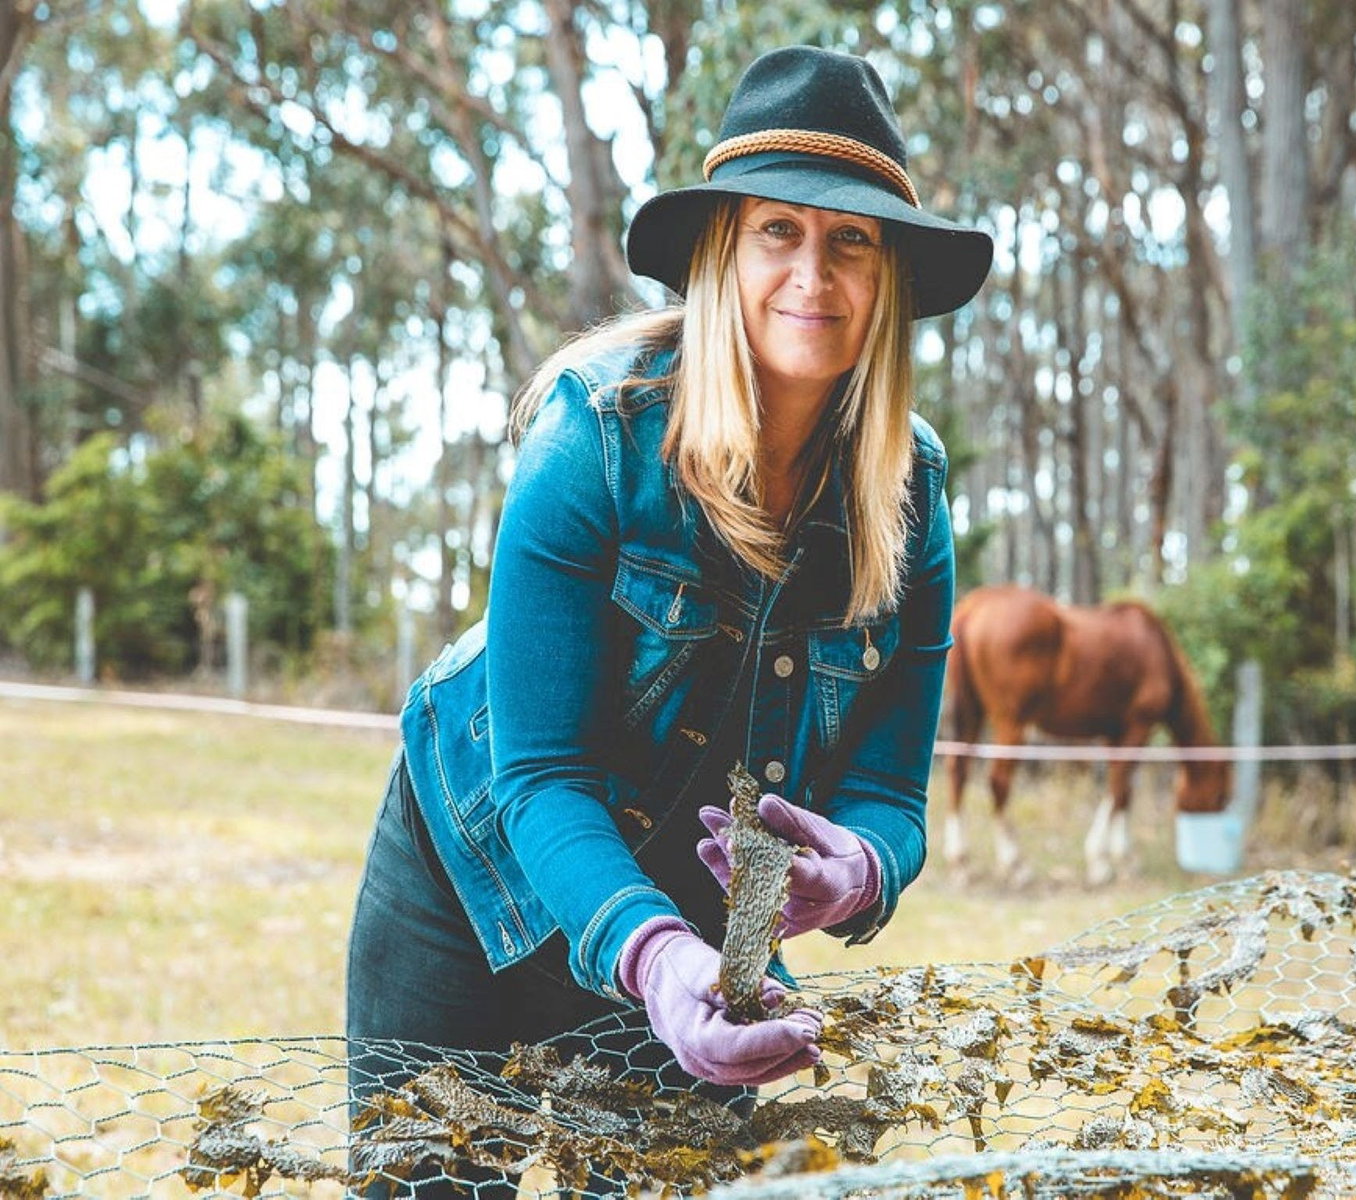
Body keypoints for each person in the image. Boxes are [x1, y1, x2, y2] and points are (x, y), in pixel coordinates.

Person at [345, 43, 993, 1196]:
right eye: (778, 233)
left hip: (710, 940)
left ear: (887, 275)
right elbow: (536, 774)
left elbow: (893, 797)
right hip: (479, 879)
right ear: (720, 254)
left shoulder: (913, 491)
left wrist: (858, 873)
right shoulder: (592, 439)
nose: (816, 272)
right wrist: (653, 958)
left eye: (851, 240)